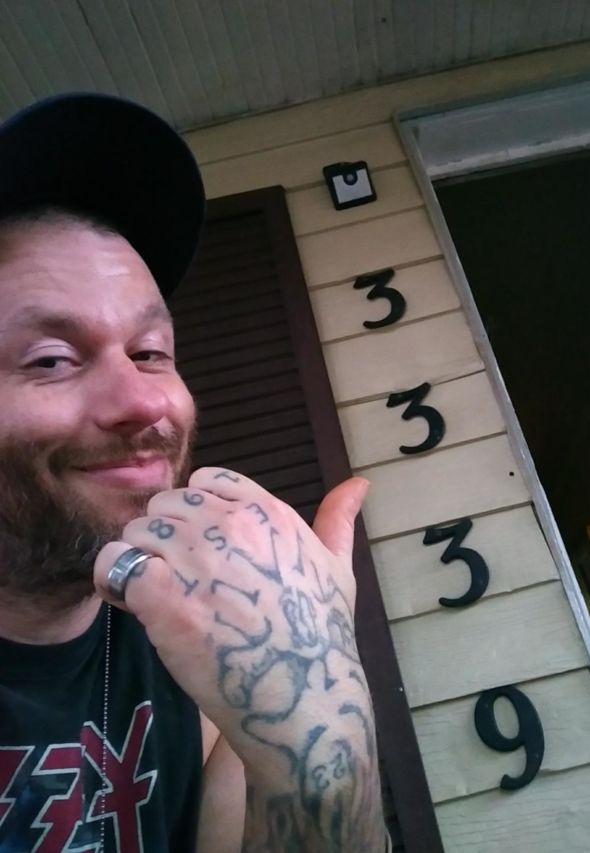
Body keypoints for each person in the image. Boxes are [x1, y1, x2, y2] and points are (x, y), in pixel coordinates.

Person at [0, 94, 388, 852]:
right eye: (51, 359)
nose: (145, 401)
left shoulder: (200, 634)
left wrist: (314, 722)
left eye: (150, 352)